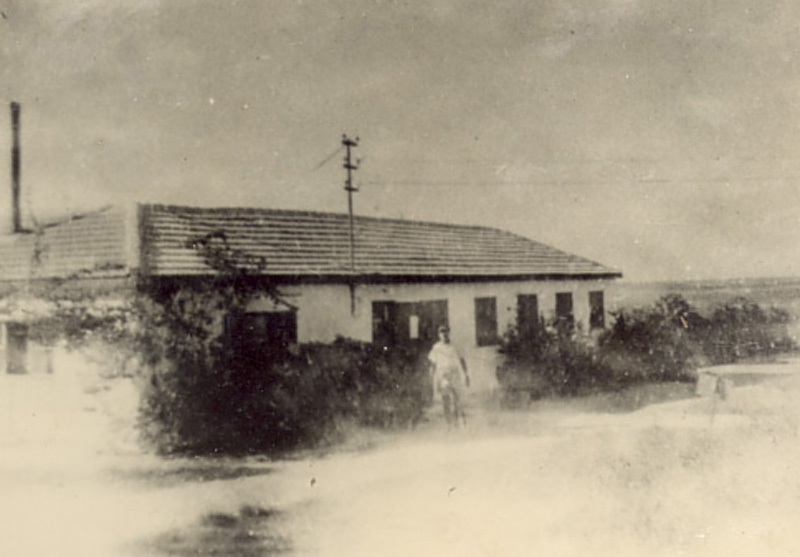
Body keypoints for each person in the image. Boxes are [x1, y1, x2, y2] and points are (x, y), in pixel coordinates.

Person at [428, 324, 469, 427]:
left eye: (445, 331)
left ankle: (456, 421)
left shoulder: (455, 346)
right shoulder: (436, 347)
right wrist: (431, 376)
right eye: (441, 332)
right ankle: (448, 423)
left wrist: (466, 374)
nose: (444, 334)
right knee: (446, 399)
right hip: (443, 375)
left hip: (454, 374)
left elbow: (462, 360)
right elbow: (433, 363)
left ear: (449, 333)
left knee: (456, 398)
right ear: (438, 334)